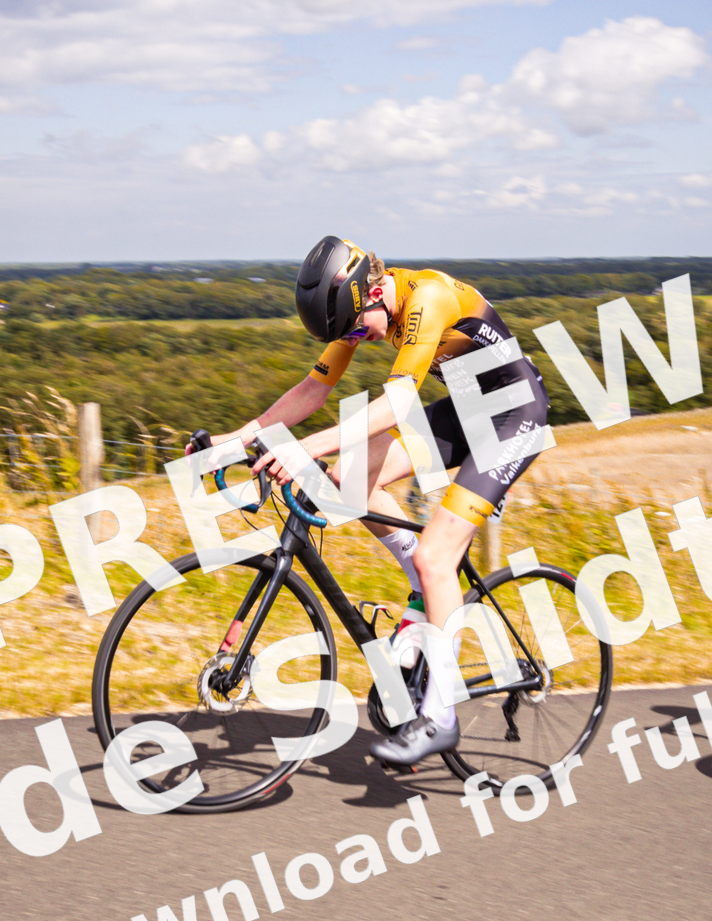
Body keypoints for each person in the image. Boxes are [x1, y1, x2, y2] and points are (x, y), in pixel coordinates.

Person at [215, 237, 552, 769]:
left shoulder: (429, 297)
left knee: (435, 555)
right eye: (344, 334)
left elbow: (398, 403)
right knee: (348, 481)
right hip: (467, 411)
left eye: (353, 329)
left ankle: (439, 717)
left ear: (374, 291)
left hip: (514, 417)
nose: (354, 339)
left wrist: (302, 447)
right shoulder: (361, 310)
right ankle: (425, 592)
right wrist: (234, 442)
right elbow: (313, 390)